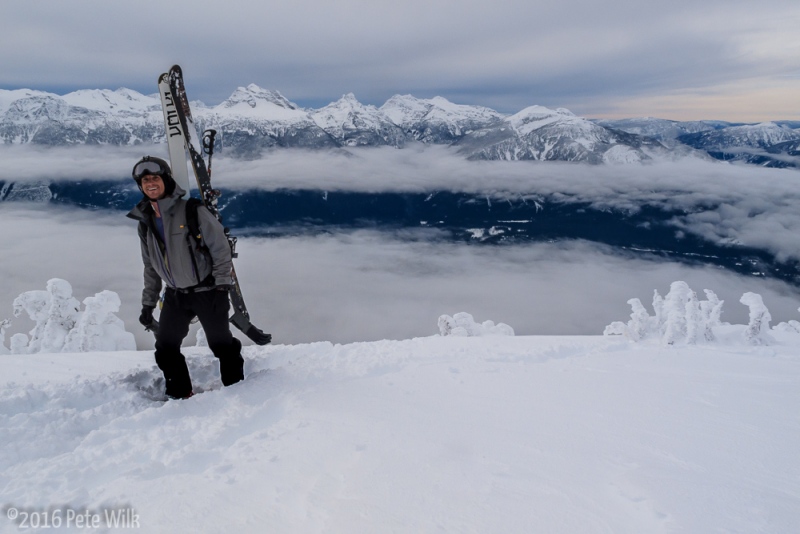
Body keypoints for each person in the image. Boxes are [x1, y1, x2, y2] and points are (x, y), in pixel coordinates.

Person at [127, 156, 244, 399]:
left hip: (208, 290)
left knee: (221, 345)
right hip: (175, 295)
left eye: (155, 178)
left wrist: (222, 285)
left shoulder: (192, 210)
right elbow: (150, 265)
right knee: (166, 348)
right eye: (145, 180)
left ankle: (238, 392)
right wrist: (148, 302)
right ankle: (180, 394)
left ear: (166, 180)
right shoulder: (145, 221)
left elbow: (220, 248)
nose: (150, 183)